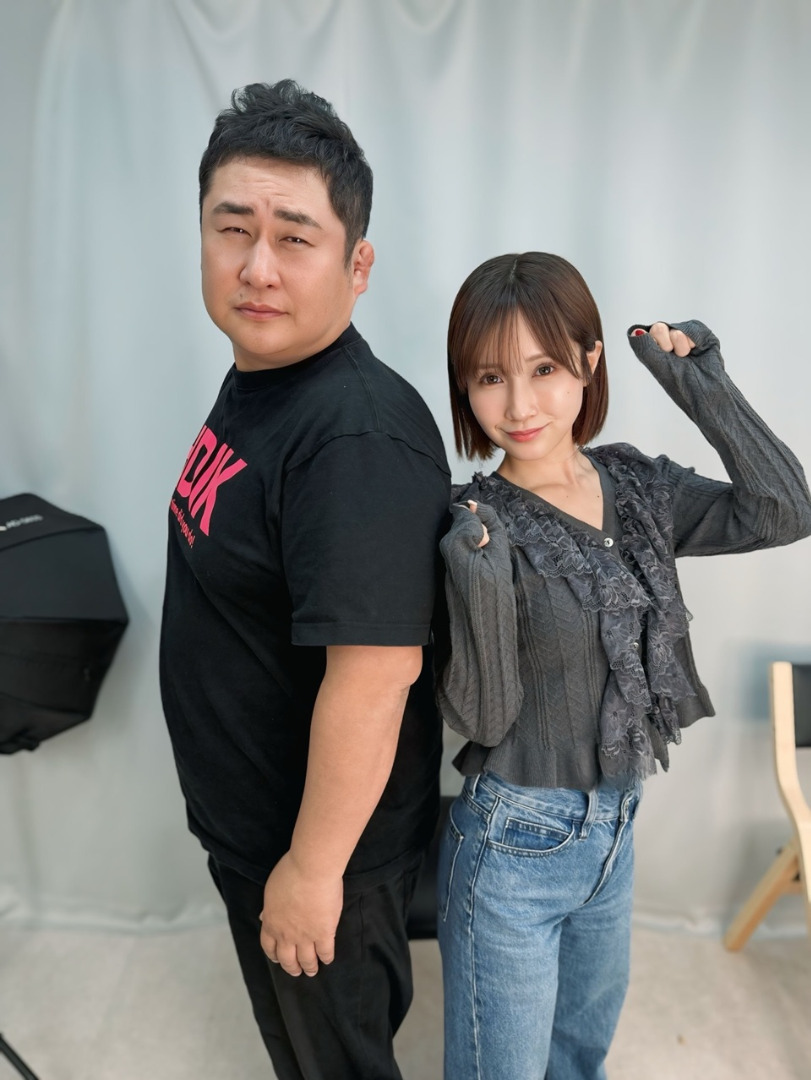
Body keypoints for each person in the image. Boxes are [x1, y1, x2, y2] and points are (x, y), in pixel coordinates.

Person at [435, 251, 811, 1080]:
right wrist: (479, 583)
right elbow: (482, 718)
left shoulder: (637, 486)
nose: (519, 405)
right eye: (490, 377)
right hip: (510, 845)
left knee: (579, 1061)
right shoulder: (474, 523)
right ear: (465, 387)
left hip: (614, 831)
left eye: (543, 368)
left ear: (589, 359)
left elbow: (784, 511)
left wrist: (699, 383)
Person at [159, 80, 450, 1080]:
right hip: (260, 834)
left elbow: (376, 675)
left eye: (294, 238)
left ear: (357, 265)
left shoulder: (354, 437)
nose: (256, 267)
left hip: (325, 857)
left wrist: (313, 871)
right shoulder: (266, 375)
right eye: (232, 228)